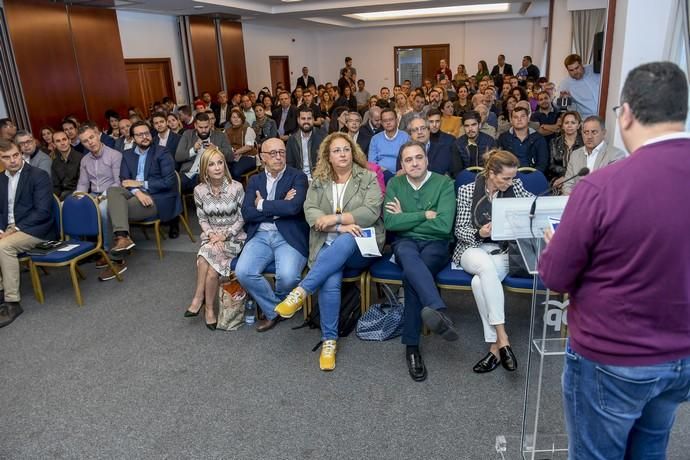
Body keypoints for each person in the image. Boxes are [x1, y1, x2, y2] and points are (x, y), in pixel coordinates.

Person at [538, 61, 690, 460]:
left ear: (626, 114)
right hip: (681, 357)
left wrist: (556, 245)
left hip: (613, 356)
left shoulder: (603, 185)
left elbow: (556, 276)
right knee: (651, 449)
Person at [274, 132, 385, 371]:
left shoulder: (367, 177)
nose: (342, 154)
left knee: (345, 240)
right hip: (325, 245)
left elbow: (370, 212)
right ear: (328, 156)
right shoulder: (319, 180)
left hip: (360, 246)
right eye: (336, 150)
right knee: (330, 278)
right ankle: (329, 341)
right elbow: (310, 210)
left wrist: (334, 219)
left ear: (353, 152)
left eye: (346, 149)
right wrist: (340, 225)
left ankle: (301, 291)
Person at [383, 141, 457, 381]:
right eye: (408, 160)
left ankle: (411, 347)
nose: (414, 163)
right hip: (405, 243)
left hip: (436, 244)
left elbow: (444, 226)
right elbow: (391, 224)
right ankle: (438, 309)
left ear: (427, 160)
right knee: (406, 254)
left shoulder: (444, 183)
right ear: (402, 164)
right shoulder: (395, 183)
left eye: (418, 158)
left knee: (411, 274)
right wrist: (424, 214)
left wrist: (405, 217)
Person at [453, 149, 532, 373]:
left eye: (513, 177)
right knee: (484, 267)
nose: (511, 182)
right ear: (490, 173)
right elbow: (459, 230)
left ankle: (495, 348)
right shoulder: (468, 190)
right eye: (505, 178)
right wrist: (481, 234)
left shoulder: (515, 187)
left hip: (504, 252)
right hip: (473, 249)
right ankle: (504, 338)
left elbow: (534, 207)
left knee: (479, 282)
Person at [235, 138, 309, 332]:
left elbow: (293, 208)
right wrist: (279, 205)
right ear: (262, 158)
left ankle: (278, 305)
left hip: (288, 235)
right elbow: (247, 213)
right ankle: (275, 309)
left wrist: (262, 204)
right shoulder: (255, 180)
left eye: (282, 152)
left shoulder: (297, 177)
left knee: (288, 277)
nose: (279, 157)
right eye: (273, 153)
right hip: (260, 235)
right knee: (243, 272)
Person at [103, 121, 179, 278]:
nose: (145, 137)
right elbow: (124, 179)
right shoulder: (127, 154)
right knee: (113, 191)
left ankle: (116, 259)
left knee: (113, 210)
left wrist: (140, 184)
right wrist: (138, 191)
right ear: (132, 138)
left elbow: (169, 182)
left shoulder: (162, 152)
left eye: (147, 133)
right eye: (140, 134)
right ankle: (122, 238)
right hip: (137, 195)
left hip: (157, 197)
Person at [183, 147, 246, 330]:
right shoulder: (199, 190)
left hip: (234, 238)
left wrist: (225, 235)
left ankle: (199, 299)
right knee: (208, 264)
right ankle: (209, 309)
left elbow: (243, 218)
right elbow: (202, 218)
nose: (217, 167)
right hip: (211, 238)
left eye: (220, 162)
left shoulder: (236, 187)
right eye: (211, 164)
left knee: (205, 259)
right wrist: (212, 235)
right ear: (205, 169)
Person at [0, 139, 54, 328]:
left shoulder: (37, 175)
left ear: (21, 153)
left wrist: (13, 230)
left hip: (36, 228)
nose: (13, 160)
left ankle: (12, 303)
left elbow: (43, 212)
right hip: (9, 229)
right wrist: (1, 230)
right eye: (6, 157)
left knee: (3, 246)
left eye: (15, 155)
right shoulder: (1, 179)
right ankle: (1, 293)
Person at [75, 122, 122, 267]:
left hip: (112, 193)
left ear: (98, 135)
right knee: (70, 206)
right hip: (93, 193)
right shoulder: (85, 160)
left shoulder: (115, 155)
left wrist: (102, 196)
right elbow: (83, 184)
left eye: (91, 137)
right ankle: (83, 250)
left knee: (102, 209)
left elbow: (118, 182)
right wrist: (78, 196)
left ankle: (109, 251)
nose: (90, 142)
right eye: (85, 141)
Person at [561, 116, 626, 195]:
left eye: (594, 132)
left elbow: (611, 189)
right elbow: (567, 185)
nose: (589, 136)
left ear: (604, 133)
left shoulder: (616, 155)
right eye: (586, 132)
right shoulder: (575, 154)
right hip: (576, 203)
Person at [175, 112, 233, 193]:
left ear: (210, 125)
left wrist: (216, 149)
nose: (203, 130)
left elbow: (231, 156)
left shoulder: (220, 136)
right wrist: (193, 150)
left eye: (206, 127)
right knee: (174, 186)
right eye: (200, 127)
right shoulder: (188, 134)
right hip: (189, 173)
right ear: (195, 125)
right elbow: (178, 157)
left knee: (204, 187)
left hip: (210, 174)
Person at [497, 106, 548, 172]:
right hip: (510, 177)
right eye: (515, 117)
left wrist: (533, 176)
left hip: (533, 176)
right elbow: (499, 162)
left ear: (528, 118)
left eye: (523, 116)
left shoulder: (539, 138)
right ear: (511, 120)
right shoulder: (503, 138)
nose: (519, 119)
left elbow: (543, 163)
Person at [369, 108, 410, 181]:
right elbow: (372, 163)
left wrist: (402, 171)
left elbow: (409, 159)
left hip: (402, 175)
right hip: (381, 175)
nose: (388, 123)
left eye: (391, 119)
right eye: (385, 121)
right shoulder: (375, 139)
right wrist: (383, 171)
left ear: (397, 120)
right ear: (381, 122)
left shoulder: (405, 137)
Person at [286, 107, 325, 181]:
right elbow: (289, 164)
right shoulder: (292, 140)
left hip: (319, 178)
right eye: (303, 119)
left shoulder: (323, 137)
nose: (306, 121)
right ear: (298, 120)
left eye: (309, 118)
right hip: (299, 179)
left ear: (313, 120)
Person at [558, 54, 601, 118]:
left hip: (605, 112)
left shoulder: (594, 69)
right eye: (571, 70)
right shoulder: (565, 84)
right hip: (586, 118)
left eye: (577, 68)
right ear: (567, 70)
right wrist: (563, 99)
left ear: (581, 65)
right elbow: (558, 105)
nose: (575, 72)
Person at [548, 111, 583, 187]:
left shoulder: (584, 143)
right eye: (566, 123)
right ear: (562, 126)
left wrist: (567, 177)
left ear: (578, 125)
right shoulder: (554, 142)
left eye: (573, 123)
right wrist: (564, 177)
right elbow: (551, 166)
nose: (569, 125)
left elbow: (586, 166)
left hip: (580, 180)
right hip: (558, 179)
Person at [225, 108, 257, 180]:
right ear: (230, 119)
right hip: (233, 156)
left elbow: (249, 147)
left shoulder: (248, 129)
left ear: (242, 119)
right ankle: (228, 189)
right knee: (223, 170)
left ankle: (238, 189)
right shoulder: (227, 131)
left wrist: (235, 153)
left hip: (248, 156)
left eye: (238, 117)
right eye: (233, 117)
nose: (236, 119)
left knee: (235, 171)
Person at [51, 130, 84, 200]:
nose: (62, 143)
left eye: (64, 139)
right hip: (62, 197)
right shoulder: (55, 163)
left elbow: (82, 184)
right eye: (58, 141)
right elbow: (56, 186)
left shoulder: (81, 158)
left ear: (69, 141)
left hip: (78, 195)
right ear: (54, 145)